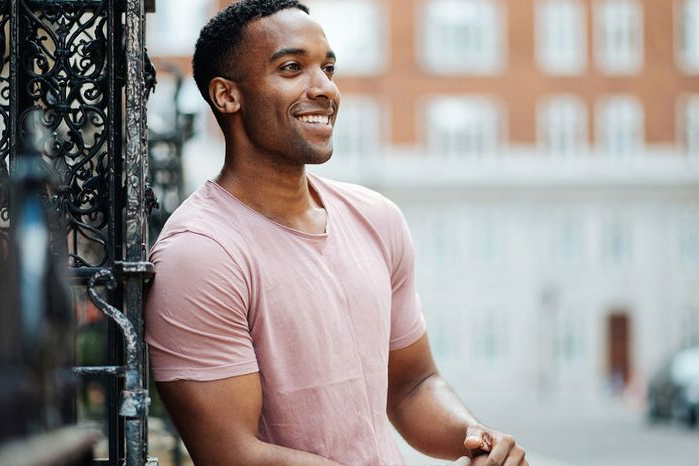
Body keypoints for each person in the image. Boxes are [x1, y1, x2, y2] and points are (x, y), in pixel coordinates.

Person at [145, 1, 529, 465]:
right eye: (292, 68)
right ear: (227, 96)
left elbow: (411, 385)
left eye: (328, 68)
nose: (325, 88)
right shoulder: (199, 254)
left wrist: (473, 437)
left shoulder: (376, 218)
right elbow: (232, 454)